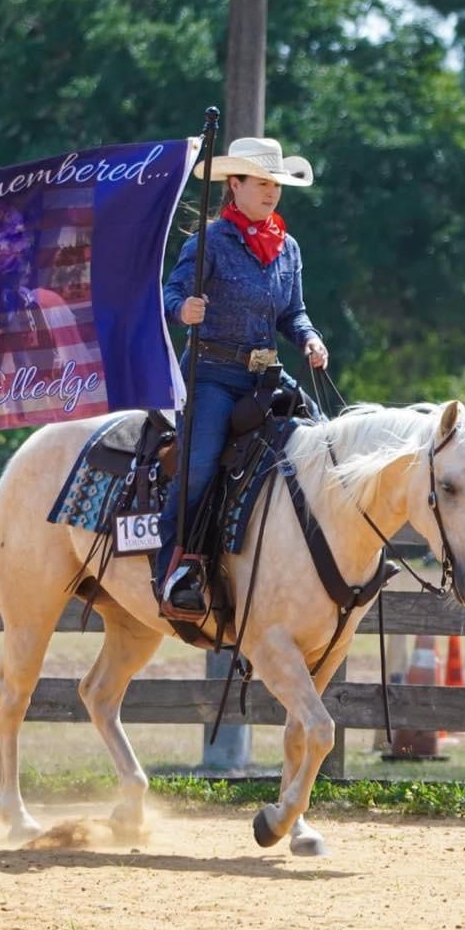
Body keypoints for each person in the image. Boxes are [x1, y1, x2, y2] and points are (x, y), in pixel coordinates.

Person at [156, 136, 329, 617]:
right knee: (200, 463)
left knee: (321, 441)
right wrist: (183, 308)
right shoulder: (208, 243)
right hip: (210, 373)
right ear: (234, 185)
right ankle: (177, 569)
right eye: (260, 183)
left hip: (263, 375)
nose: (271, 192)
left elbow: (293, 312)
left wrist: (311, 339)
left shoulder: (287, 247)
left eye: (276, 184)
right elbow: (169, 294)